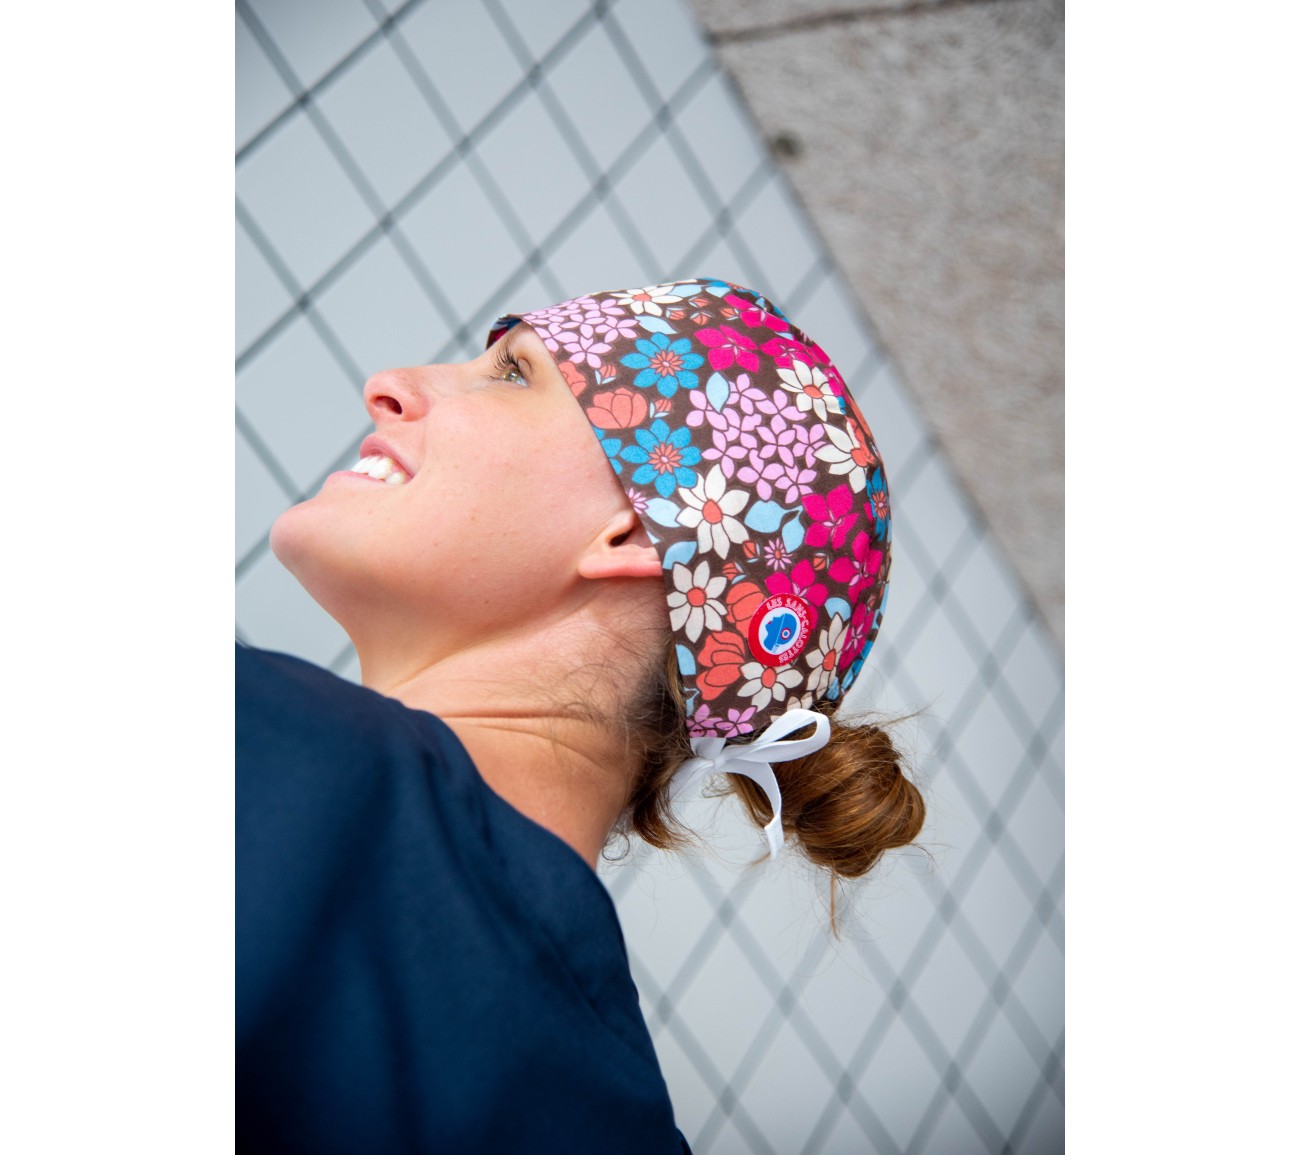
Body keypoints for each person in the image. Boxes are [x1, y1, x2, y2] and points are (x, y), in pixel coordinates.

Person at [236, 277, 925, 1153]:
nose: (390, 385)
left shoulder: (260, 759)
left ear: (633, 532)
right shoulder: (621, 1117)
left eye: (513, 373)